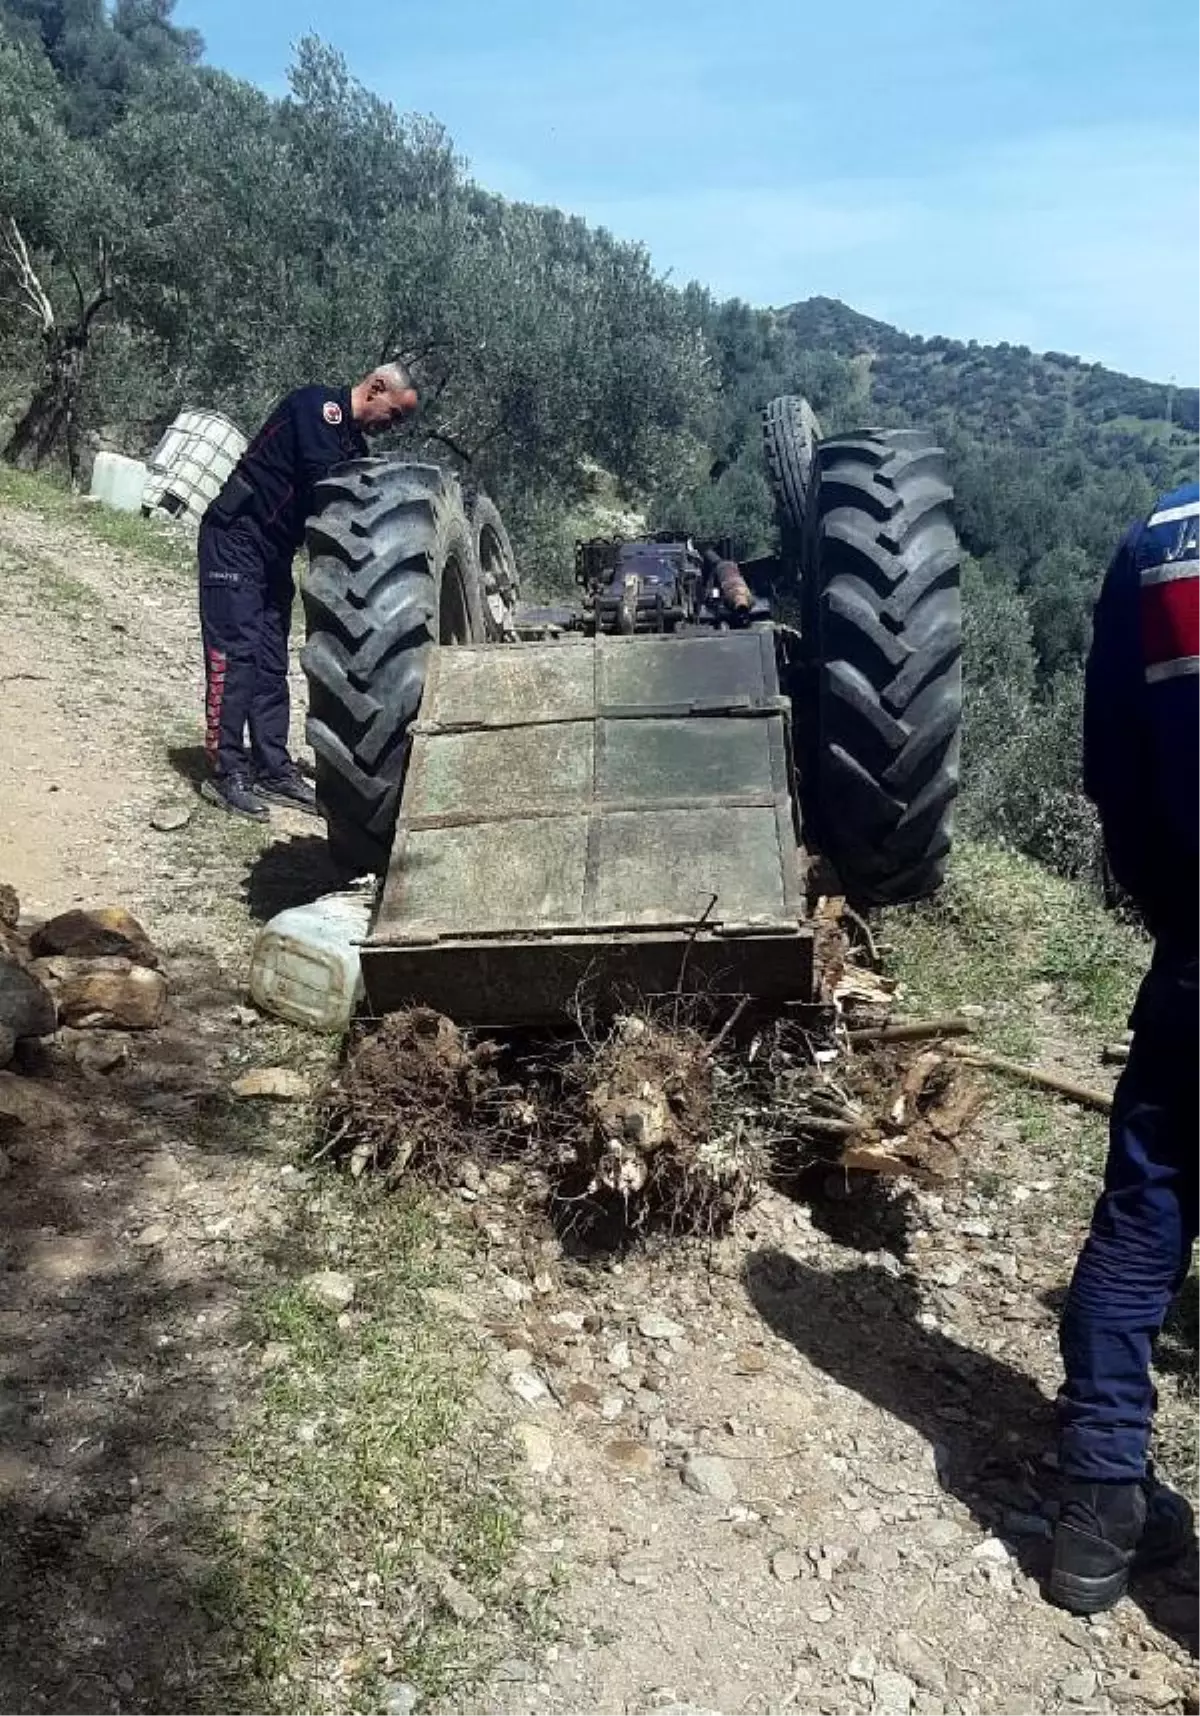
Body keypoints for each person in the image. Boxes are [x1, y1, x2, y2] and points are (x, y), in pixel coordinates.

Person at [1051, 479, 1200, 1614]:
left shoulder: (1155, 544)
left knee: (1145, 1213)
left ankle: (1099, 1507)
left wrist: (1174, 917)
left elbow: (1112, 774)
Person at [198, 362, 419, 819]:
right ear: (377, 388)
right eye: (393, 414)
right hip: (236, 536)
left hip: (275, 550)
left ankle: (273, 767)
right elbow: (326, 482)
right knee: (235, 653)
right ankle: (225, 772)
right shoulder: (317, 408)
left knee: (270, 660)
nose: (391, 426)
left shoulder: (353, 443)